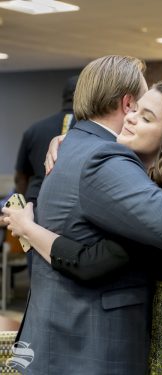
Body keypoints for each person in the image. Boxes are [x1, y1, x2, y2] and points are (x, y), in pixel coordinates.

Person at [2, 56, 162, 375]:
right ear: (127, 101)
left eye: (146, 117)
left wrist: (28, 228)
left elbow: (97, 257)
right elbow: (96, 258)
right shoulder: (106, 159)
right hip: (103, 340)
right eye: (136, 110)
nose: (132, 118)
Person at [13, 75, 78, 275]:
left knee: (38, 274)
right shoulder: (89, 131)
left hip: (37, 210)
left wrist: (23, 208)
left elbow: (21, 176)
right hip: (73, 213)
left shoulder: (34, 129)